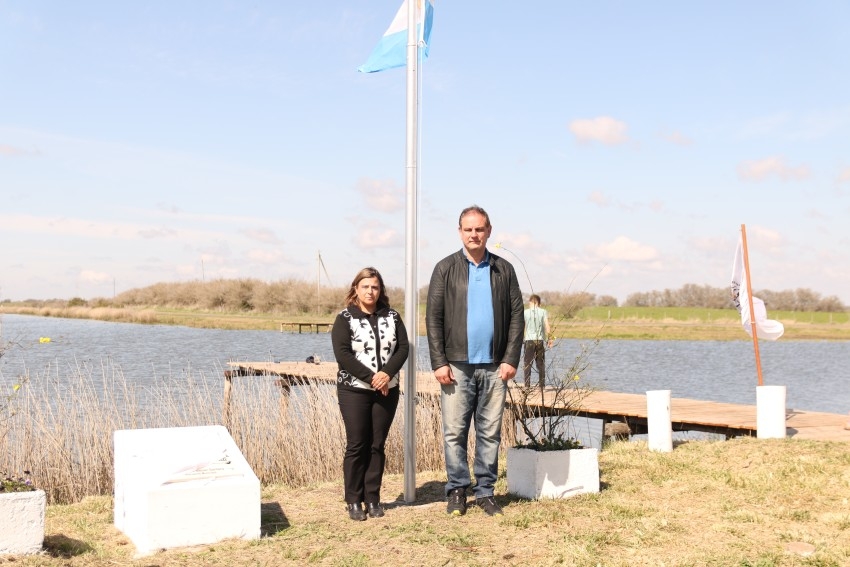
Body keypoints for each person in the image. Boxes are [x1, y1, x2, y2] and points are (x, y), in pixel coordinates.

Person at [426, 205, 524, 517]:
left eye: (479, 229)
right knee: (454, 432)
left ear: (488, 231)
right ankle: (457, 489)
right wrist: (439, 361)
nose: (474, 234)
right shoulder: (445, 268)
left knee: (490, 432)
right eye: (468, 229)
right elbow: (433, 318)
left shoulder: (504, 270)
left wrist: (511, 358)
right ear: (459, 232)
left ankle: (485, 492)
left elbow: (517, 317)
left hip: (496, 366)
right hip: (456, 365)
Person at [331, 267, 409, 521]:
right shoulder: (345, 318)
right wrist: (373, 378)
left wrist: (386, 374)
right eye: (365, 286)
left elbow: (403, 348)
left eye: (374, 287)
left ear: (380, 290)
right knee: (357, 444)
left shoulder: (392, 316)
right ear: (356, 289)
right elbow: (343, 354)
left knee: (377, 445)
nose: (370, 291)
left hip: (388, 389)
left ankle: (372, 497)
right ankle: (353, 500)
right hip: (354, 390)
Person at [522, 294, 553, 388]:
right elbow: (547, 325)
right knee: (541, 364)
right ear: (539, 303)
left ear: (530, 302)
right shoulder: (543, 312)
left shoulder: (525, 312)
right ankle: (542, 386)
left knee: (527, 364)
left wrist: (520, 339)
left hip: (529, 340)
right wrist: (550, 338)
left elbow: (523, 326)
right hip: (539, 340)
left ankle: (527, 386)